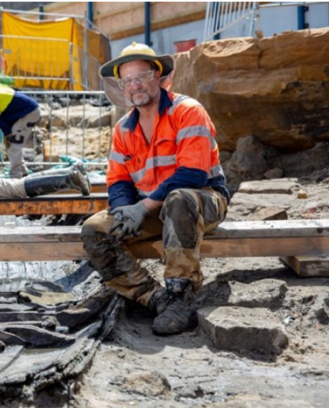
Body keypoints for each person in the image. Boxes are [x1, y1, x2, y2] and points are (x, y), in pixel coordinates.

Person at [80, 42, 230, 336]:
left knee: (178, 198)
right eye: (128, 80)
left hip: (203, 200)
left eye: (142, 77)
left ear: (158, 77)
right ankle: (154, 298)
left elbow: (193, 174)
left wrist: (142, 207)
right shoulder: (123, 129)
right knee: (94, 229)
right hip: (152, 206)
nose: (135, 86)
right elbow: (118, 179)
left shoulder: (187, 112)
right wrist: (125, 209)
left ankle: (180, 295)